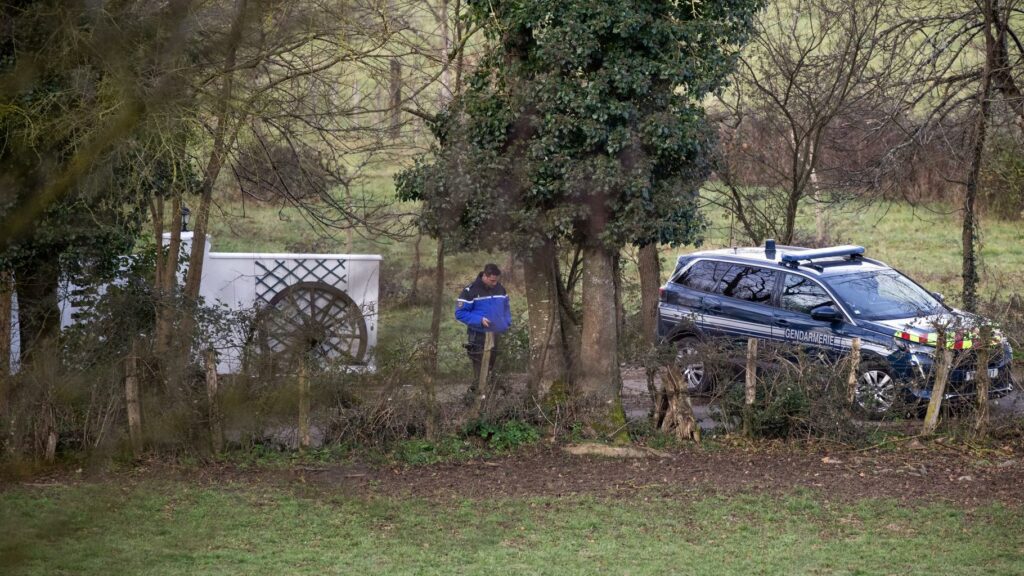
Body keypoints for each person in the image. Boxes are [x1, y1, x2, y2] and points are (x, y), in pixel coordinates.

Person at [455, 263, 512, 396]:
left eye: (496, 280)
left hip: (496, 333)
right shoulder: (470, 290)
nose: (494, 283)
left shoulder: (500, 289)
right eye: (492, 280)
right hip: (478, 335)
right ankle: (478, 395)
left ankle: (491, 393)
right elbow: (460, 313)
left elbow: (506, 307)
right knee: (480, 367)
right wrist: (479, 320)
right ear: (484, 276)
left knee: (493, 364)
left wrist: (506, 323)